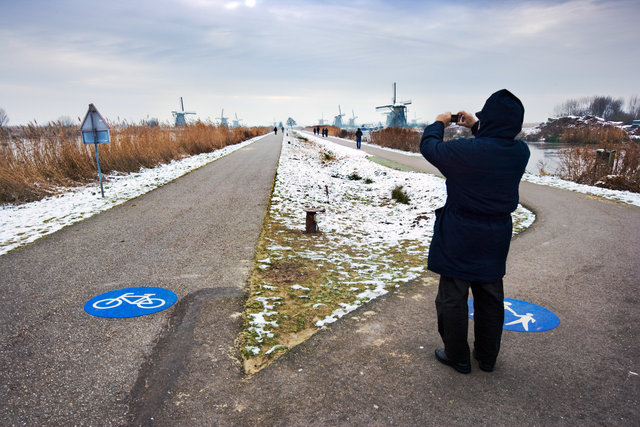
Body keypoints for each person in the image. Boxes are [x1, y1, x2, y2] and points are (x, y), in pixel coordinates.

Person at [419, 89, 530, 374]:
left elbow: (430, 147)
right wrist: (475, 126)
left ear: (490, 120)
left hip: (460, 232)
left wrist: (440, 123)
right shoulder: (520, 153)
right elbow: (496, 139)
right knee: (490, 296)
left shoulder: (465, 152)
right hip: (496, 234)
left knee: (453, 297)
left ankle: (458, 356)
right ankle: (487, 356)